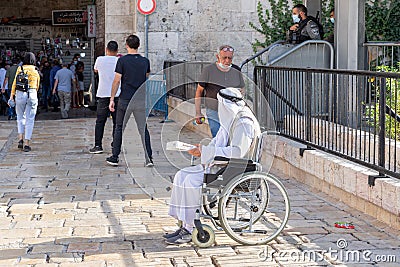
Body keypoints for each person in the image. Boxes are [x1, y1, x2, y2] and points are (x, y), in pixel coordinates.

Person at [164, 87, 261, 245]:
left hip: (234, 168)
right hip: (223, 164)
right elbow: (218, 143)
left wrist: (206, 151)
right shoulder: (233, 119)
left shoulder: (244, 123)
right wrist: (202, 149)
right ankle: (184, 223)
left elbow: (237, 152)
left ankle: (189, 229)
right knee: (181, 175)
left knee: (190, 182)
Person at [106, 35, 153, 167]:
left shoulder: (122, 61)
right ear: (138, 45)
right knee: (143, 129)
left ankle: (115, 157)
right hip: (139, 99)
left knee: (119, 127)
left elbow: (116, 81)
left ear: (126, 45)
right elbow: (146, 78)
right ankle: (148, 158)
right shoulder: (145, 61)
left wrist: (111, 99)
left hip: (125, 99)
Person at [195, 45, 245, 138]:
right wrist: (198, 112)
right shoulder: (208, 70)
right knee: (218, 136)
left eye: (230, 58)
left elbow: (242, 88)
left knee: (231, 136)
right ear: (217, 56)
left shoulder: (236, 70)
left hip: (231, 110)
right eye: (224, 58)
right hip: (214, 109)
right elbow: (199, 91)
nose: (227, 61)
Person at [89, 41, 121, 154]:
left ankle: (98, 145)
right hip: (117, 94)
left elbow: (96, 70)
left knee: (100, 121)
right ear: (117, 51)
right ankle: (115, 144)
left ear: (107, 49)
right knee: (117, 122)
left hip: (103, 94)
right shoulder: (119, 61)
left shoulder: (100, 60)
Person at [10, 52, 41, 152]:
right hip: (31, 93)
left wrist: (11, 96)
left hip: (20, 93)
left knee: (20, 117)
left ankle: (20, 138)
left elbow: (15, 83)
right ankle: (27, 143)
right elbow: (37, 85)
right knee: (30, 119)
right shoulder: (35, 70)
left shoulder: (20, 68)